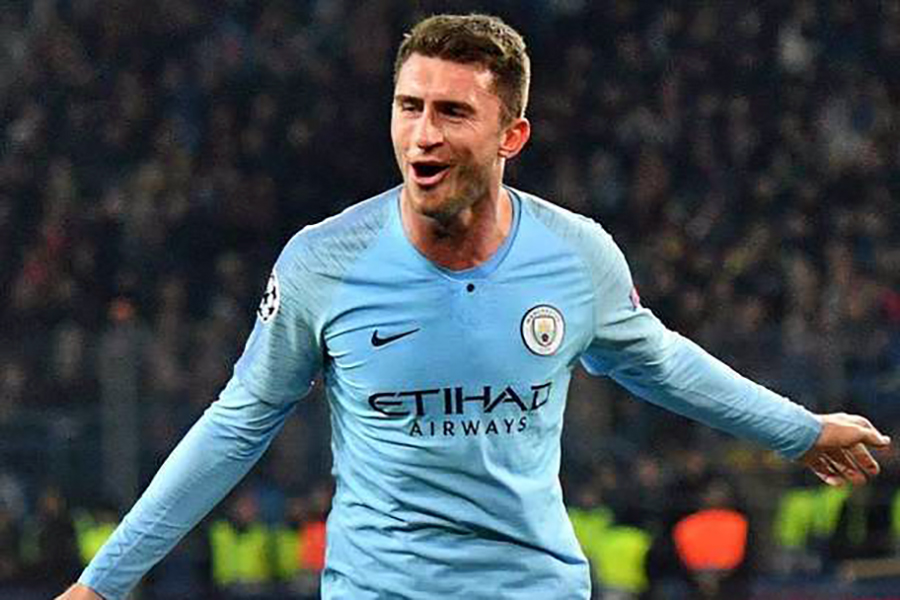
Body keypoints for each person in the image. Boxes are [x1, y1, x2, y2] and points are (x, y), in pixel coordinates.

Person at [58, 13, 891, 600]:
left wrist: (799, 429)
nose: (423, 134)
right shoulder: (323, 261)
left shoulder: (575, 254)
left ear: (510, 137)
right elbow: (237, 423)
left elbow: (662, 363)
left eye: (453, 112)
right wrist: (103, 582)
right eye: (409, 107)